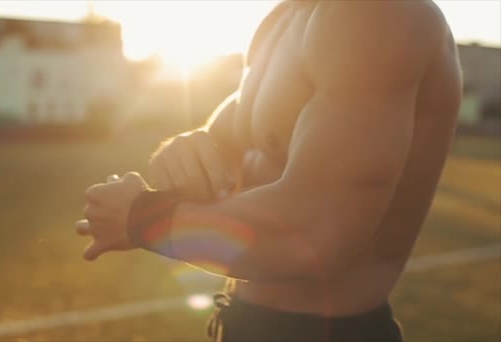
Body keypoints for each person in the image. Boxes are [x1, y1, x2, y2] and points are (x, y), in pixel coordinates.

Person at [76, 1, 462, 341]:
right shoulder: (282, 18)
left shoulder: (376, 15)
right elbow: (229, 138)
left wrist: (144, 217)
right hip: (244, 319)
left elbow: (314, 232)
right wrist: (189, 150)